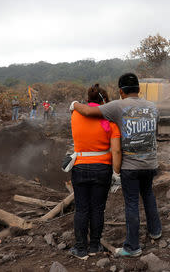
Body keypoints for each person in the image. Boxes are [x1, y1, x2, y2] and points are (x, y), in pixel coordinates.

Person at [71, 73, 162, 257]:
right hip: (151, 163)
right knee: (149, 195)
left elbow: (89, 112)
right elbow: (154, 133)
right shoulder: (153, 107)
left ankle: (132, 247)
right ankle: (155, 231)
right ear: (139, 89)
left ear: (121, 91)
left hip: (130, 166)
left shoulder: (117, 106)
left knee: (131, 203)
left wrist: (73, 105)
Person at [68, 84, 121, 260]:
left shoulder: (75, 114)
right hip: (102, 168)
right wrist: (116, 173)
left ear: (88, 99)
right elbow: (116, 151)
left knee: (81, 209)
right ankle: (95, 246)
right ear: (105, 100)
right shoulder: (110, 120)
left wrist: (76, 104)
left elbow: (83, 111)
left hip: (80, 167)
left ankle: (80, 248)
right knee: (98, 209)